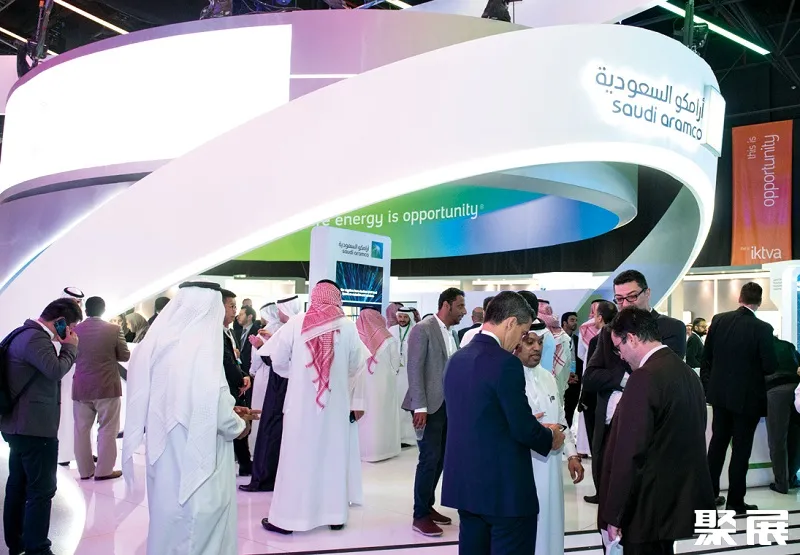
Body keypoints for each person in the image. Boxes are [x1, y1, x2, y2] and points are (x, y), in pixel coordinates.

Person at [122, 282, 259, 555]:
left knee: (169, 522)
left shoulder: (162, 344)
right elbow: (218, 413)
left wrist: (229, 411)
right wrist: (240, 424)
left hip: (165, 456)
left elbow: (180, 400)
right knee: (199, 528)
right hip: (200, 458)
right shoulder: (203, 349)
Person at [442, 291, 564, 555]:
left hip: (466, 486)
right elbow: (522, 427)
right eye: (523, 332)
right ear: (510, 323)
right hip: (504, 491)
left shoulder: (456, 359)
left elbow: (477, 417)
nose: (521, 341)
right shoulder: (506, 363)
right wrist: (550, 437)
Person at [600, 308, 714, 555]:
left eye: (619, 348)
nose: (621, 356)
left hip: (646, 508)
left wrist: (615, 513)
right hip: (673, 504)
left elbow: (630, 452)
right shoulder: (686, 373)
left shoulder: (644, 377)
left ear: (631, 338)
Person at [261, 281, 367, 534]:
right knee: (333, 456)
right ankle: (334, 515)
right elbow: (356, 364)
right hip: (335, 408)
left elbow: (277, 360)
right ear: (337, 298)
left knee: (296, 458)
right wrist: (336, 379)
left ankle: (288, 520)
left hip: (300, 408)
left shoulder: (296, 322)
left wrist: (298, 375)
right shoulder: (347, 326)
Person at [582, 270, 685, 505]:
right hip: (610, 424)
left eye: (631, 297)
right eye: (619, 299)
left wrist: (634, 377)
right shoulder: (607, 333)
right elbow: (591, 377)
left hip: (653, 426)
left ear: (647, 293)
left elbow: (667, 374)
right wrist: (623, 379)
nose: (626, 304)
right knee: (610, 494)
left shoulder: (671, 328)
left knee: (649, 498)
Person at [1, 298, 82, 555]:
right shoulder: (36, 339)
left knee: (18, 485)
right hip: (34, 428)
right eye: (70, 327)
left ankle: (17, 543)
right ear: (60, 322)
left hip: (18, 425)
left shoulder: (20, 334)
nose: (71, 333)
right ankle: (37, 549)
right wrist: (69, 348)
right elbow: (55, 370)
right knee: (41, 490)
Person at [702, 282, 778, 512]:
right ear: (759, 301)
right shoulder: (763, 328)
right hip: (747, 400)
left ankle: (709, 496)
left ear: (740, 298)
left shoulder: (719, 320)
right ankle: (735, 501)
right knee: (741, 450)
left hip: (719, 396)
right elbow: (770, 366)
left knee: (717, 445)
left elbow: (707, 357)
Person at [515, 320, 584, 555]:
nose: (536, 348)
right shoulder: (510, 378)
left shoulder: (548, 377)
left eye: (540, 342)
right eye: (529, 342)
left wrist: (572, 454)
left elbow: (561, 416)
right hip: (526, 466)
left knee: (551, 521)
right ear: (517, 344)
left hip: (552, 466)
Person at [403, 287, 467, 536]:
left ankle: (428, 506)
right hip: (427, 407)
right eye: (460, 306)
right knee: (429, 458)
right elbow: (414, 368)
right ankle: (419, 515)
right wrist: (420, 406)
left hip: (447, 406)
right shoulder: (424, 328)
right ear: (446, 305)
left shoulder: (452, 333)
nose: (463, 311)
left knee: (440, 458)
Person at [240, 296, 303, 492]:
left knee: (270, 429)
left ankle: (264, 479)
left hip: (279, 385)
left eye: (281, 309)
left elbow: (279, 362)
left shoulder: (290, 328)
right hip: (286, 385)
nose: (278, 313)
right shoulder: (295, 327)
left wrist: (262, 346)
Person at [72, 296, 129, 481]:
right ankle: (104, 470)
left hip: (81, 387)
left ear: (86, 310)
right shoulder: (114, 329)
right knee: (108, 429)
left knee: (81, 430)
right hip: (106, 387)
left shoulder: (75, 330)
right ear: (103, 310)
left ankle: (84, 471)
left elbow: (71, 356)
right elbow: (125, 356)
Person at [356, 308, 401, 462]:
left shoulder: (357, 338)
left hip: (362, 385)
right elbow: (396, 364)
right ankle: (386, 450)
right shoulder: (389, 338)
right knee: (384, 414)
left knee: (366, 416)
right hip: (385, 384)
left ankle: (365, 451)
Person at [221, 289, 253, 476]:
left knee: (241, 424)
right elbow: (226, 362)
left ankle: (245, 463)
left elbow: (235, 360)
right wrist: (240, 379)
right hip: (227, 388)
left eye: (236, 307)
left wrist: (244, 376)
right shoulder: (216, 333)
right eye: (231, 306)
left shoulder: (230, 331)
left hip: (236, 386)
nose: (235, 311)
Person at [765, 336, 800, 493]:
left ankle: (781, 483)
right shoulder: (788, 346)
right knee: (796, 436)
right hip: (796, 389)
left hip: (775, 391)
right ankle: (792, 478)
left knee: (778, 439)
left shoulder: (760, 348)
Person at [390, 307, 417, 446]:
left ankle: (409, 438)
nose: (402, 320)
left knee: (408, 406)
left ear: (410, 318)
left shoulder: (415, 330)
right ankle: (396, 437)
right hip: (395, 374)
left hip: (409, 374)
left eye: (405, 317)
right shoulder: (392, 330)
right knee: (395, 404)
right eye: (400, 317)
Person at [561, 311, 581, 428]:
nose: (575, 323)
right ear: (564, 323)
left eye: (576, 320)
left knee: (570, 411)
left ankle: (567, 432)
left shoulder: (578, 340)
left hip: (574, 380)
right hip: (560, 379)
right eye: (572, 320)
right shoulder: (557, 340)